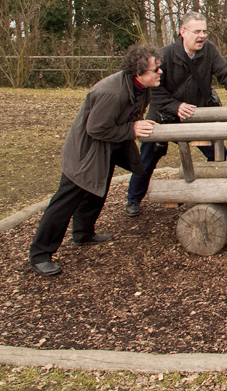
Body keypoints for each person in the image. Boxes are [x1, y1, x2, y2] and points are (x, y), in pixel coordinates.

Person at [29, 44, 162, 277]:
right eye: (155, 70)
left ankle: (83, 233)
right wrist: (131, 129)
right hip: (85, 152)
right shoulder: (112, 93)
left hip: (107, 147)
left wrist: (135, 124)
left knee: (96, 191)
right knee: (65, 201)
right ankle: (40, 254)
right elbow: (96, 129)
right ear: (138, 74)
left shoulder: (143, 88)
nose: (160, 72)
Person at [124, 12, 227, 217]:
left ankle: (210, 194)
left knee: (218, 153)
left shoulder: (210, 51)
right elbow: (154, 89)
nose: (202, 35)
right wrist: (175, 105)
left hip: (195, 115)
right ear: (182, 32)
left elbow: (226, 74)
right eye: (197, 31)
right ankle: (133, 199)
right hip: (162, 115)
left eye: (204, 31)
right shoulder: (165, 54)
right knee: (147, 157)